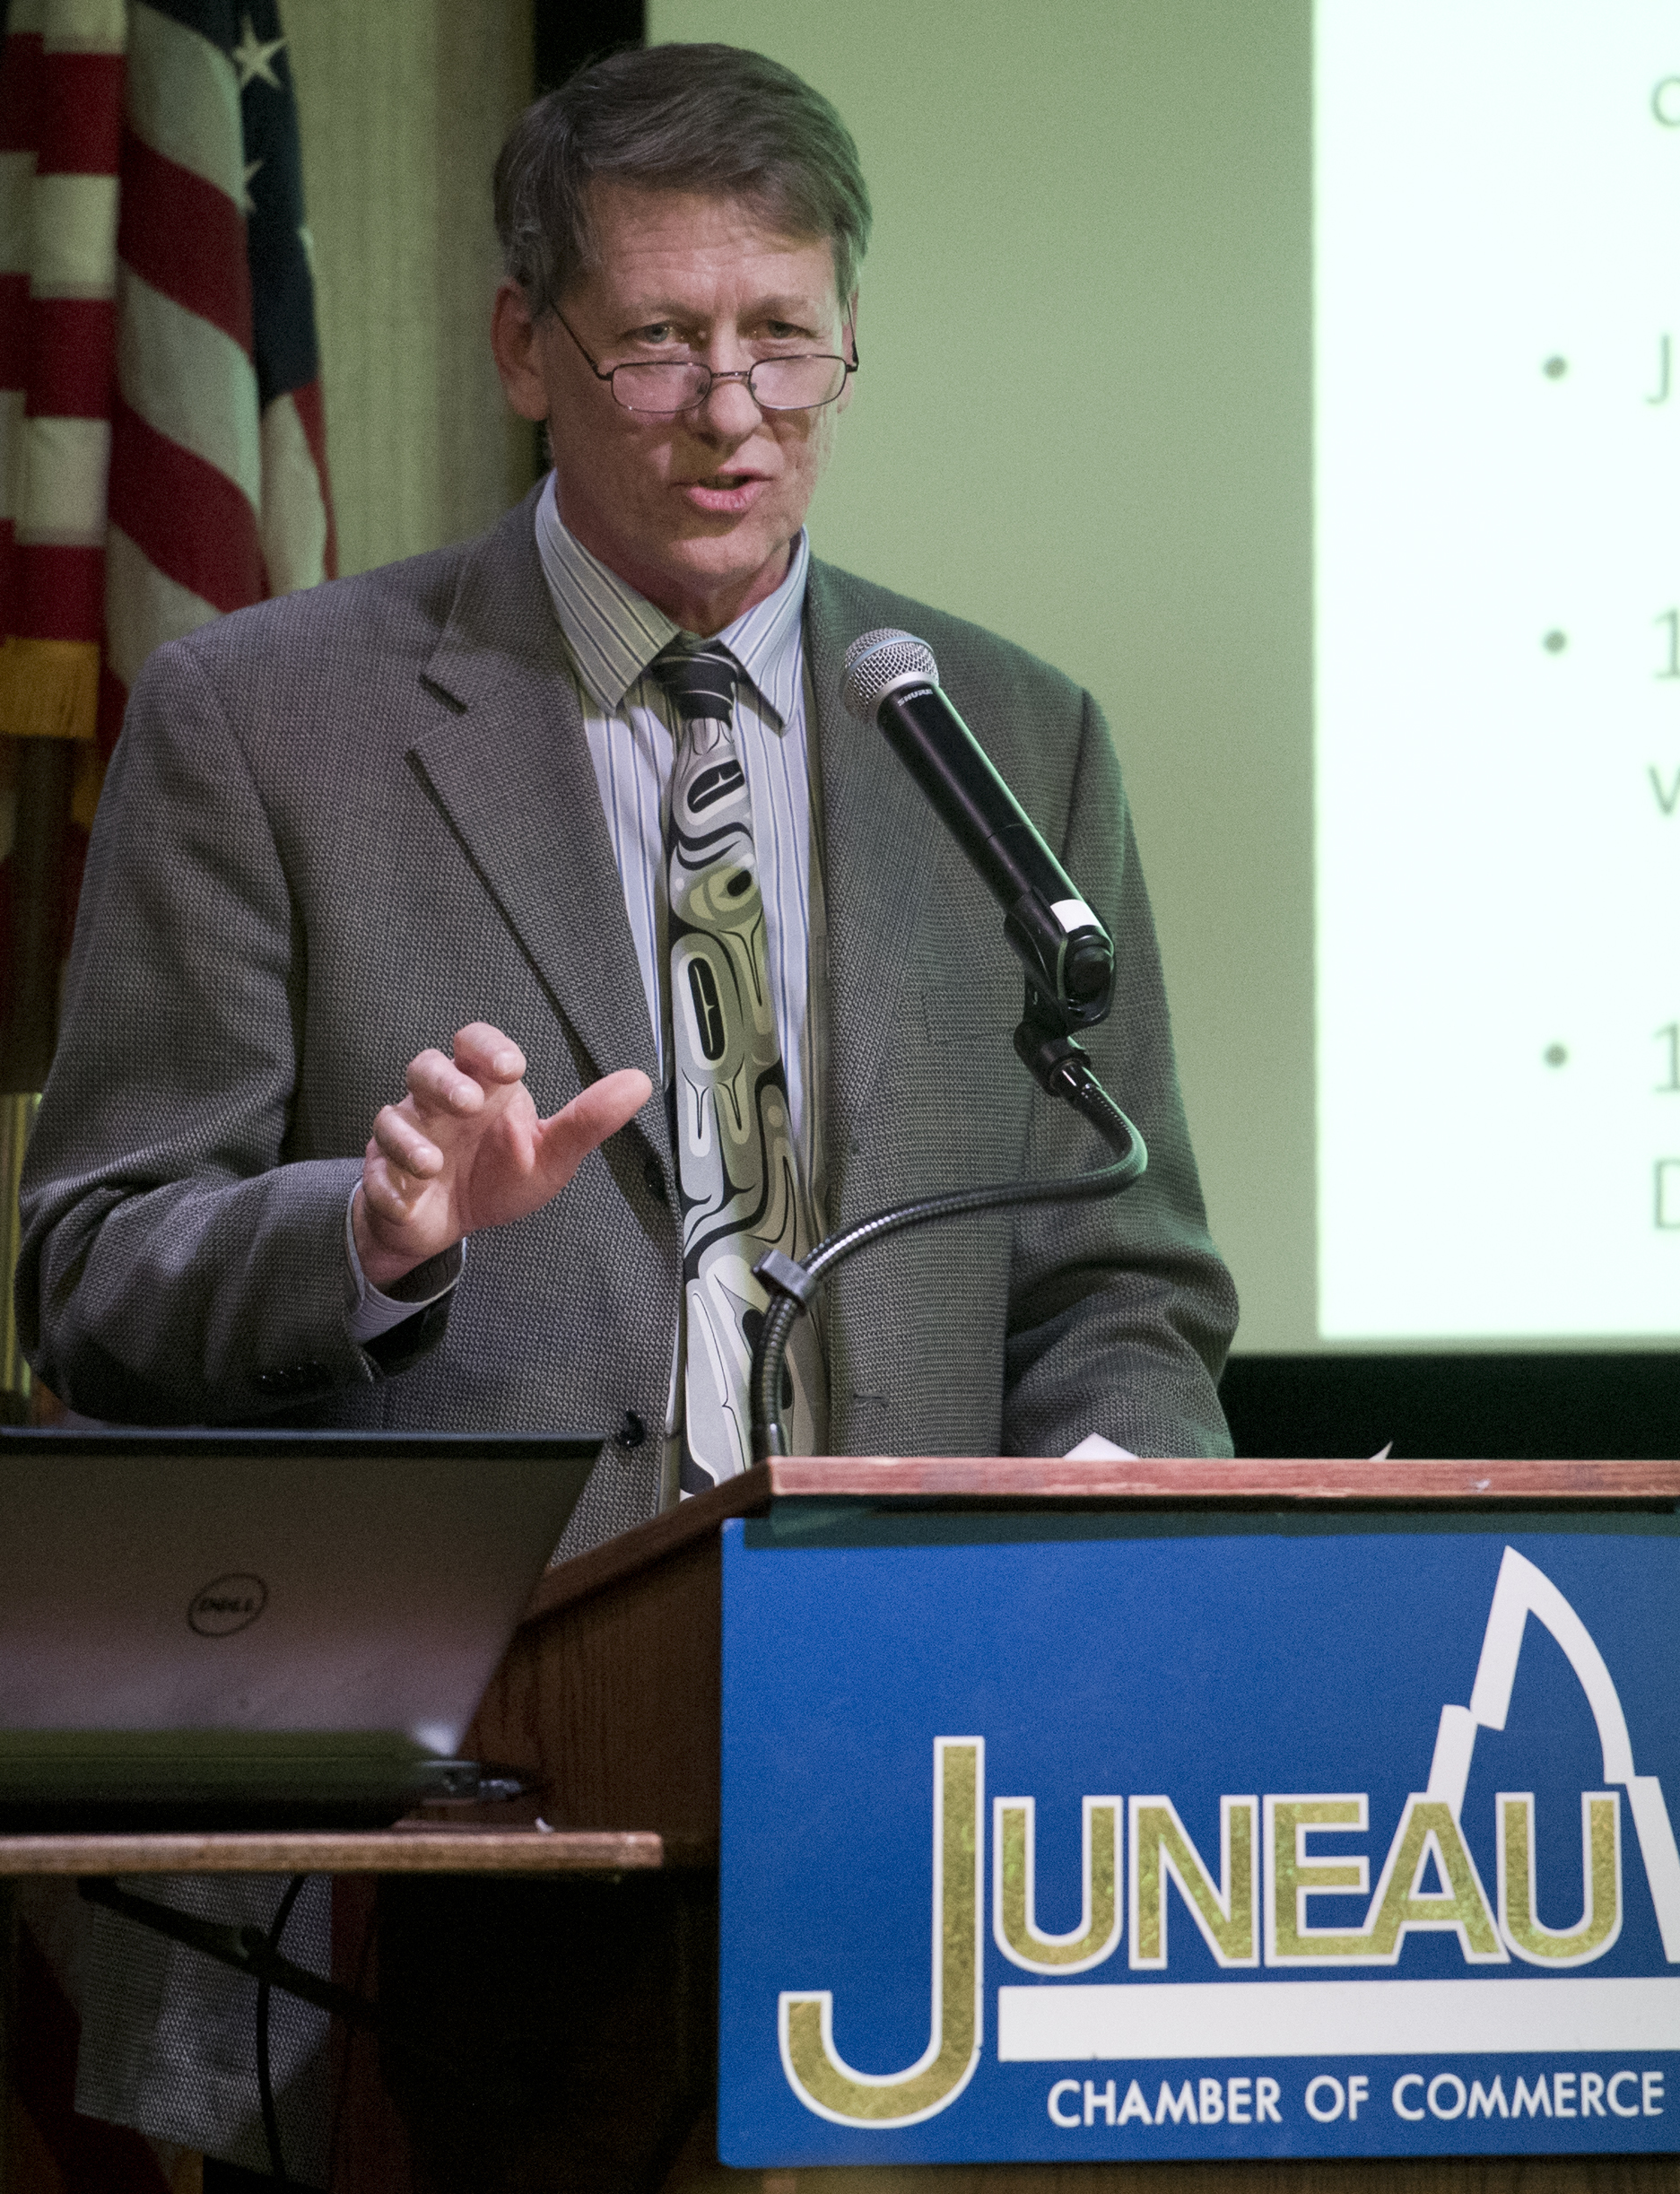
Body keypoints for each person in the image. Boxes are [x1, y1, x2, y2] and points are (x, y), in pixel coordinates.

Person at [15, 44, 1237, 2184]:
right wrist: (370, 1231)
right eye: (661, 339)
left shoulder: (1008, 735)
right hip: (431, 1847)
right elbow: (93, 1268)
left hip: (924, 1804)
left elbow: (1118, 1274)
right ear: (525, 344)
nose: (732, 407)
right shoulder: (266, 722)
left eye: (784, 337)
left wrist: (1111, 1500)